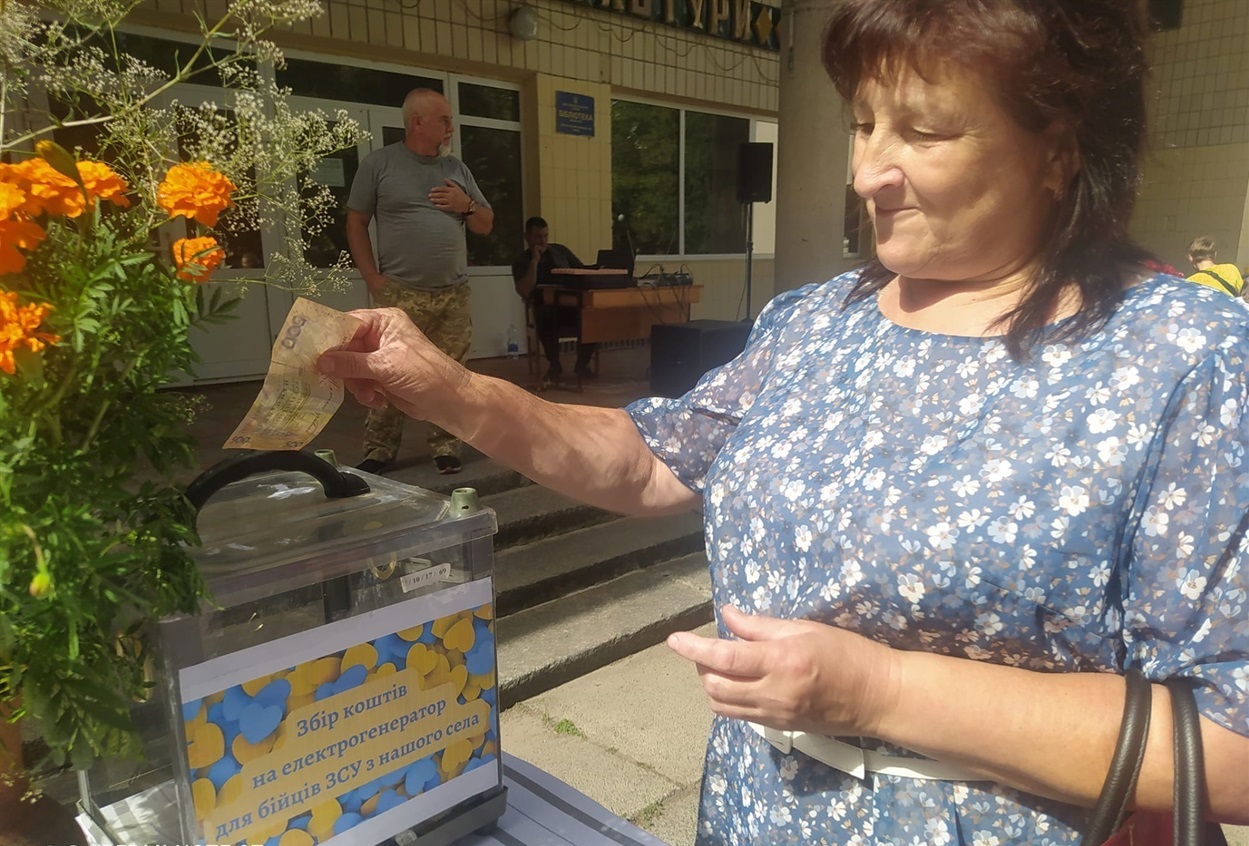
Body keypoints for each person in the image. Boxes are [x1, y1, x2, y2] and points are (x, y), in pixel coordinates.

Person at [319, 0, 1249, 842]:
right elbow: (648, 461)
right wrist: (446, 387)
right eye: (862, 123)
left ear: (1060, 146)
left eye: (922, 131)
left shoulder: (1183, 355)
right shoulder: (816, 319)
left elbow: (1232, 746)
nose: (866, 172)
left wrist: (881, 691)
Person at [345, 87, 494, 475]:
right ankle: (379, 450)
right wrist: (373, 279)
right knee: (390, 370)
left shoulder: (457, 170)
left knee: (451, 375)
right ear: (417, 122)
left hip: (452, 295)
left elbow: (486, 224)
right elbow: (356, 223)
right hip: (400, 292)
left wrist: (467, 205)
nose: (451, 128)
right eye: (444, 120)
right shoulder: (380, 165)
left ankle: (446, 446)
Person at [510, 216, 598, 385]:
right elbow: (524, 290)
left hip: (570, 305)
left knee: (593, 315)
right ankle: (555, 366)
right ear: (527, 237)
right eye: (538, 237)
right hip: (545, 308)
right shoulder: (521, 261)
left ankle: (582, 365)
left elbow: (582, 271)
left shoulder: (560, 251)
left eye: (545, 236)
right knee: (545, 314)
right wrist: (534, 261)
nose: (543, 241)